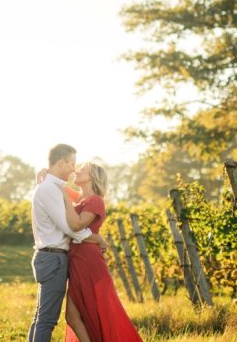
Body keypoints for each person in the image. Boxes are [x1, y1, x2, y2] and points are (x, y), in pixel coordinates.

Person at [27, 144, 106, 342]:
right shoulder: (50, 189)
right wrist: (96, 238)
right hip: (53, 258)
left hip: (51, 257)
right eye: (71, 164)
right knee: (46, 320)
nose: (73, 169)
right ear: (61, 163)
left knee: (41, 317)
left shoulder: (51, 186)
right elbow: (70, 227)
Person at [57, 163, 142, 342]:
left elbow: (77, 224)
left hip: (89, 262)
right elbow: (54, 185)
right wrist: (44, 173)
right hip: (76, 261)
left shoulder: (95, 200)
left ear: (92, 176)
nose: (77, 170)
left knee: (96, 314)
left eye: (82, 169)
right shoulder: (78, 199)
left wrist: (64, 194)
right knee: (72, 317)